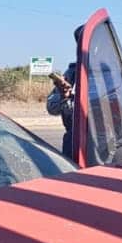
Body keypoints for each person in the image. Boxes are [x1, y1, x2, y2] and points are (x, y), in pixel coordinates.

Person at [45, 26, 83, 157]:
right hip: (74, 141)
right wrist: (64, 96)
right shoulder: (72, 73)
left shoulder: (111, 72)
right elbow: (51, 108)